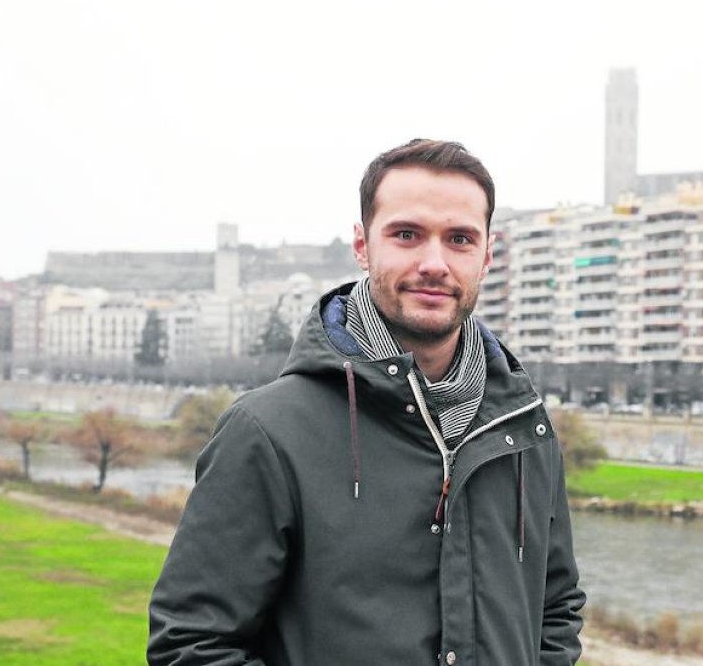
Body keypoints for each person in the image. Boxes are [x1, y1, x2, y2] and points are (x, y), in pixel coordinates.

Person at [148, 139, 585, 665]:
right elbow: (191, 646)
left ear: (487, 256)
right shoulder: (266, 431)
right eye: (406, 235)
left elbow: (555, 609)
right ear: (362, 245)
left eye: (460, 239)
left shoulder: (525, 429)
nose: (434, 262)